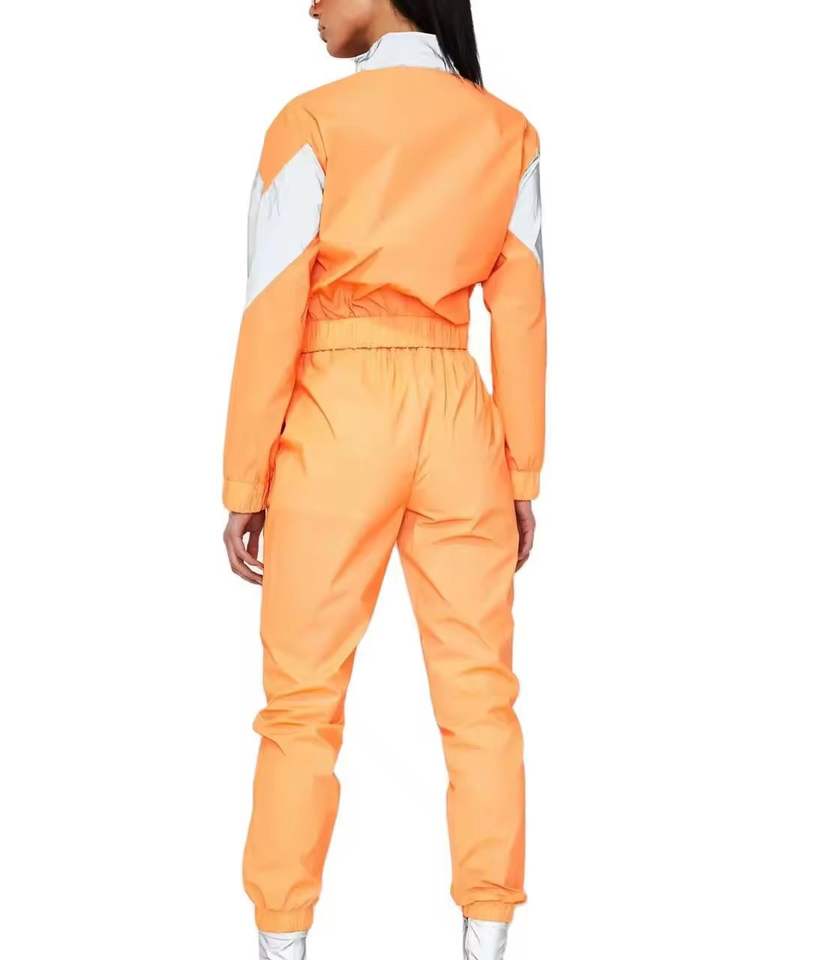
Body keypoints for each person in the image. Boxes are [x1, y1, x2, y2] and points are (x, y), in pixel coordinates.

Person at [222, 1, 546, 957]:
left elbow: (271, 305)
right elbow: (523, 312)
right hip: (460, 415)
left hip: (337, 414)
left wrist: (244, 482)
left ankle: (283, 941)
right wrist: (521, 471)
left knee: (302, 703)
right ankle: (487, 937)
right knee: (481, 698)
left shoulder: (310, 123)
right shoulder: (507, 131)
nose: (312, 4)